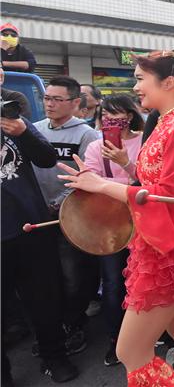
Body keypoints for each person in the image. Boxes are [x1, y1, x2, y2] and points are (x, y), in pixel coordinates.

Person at [57, 47, 174, 386]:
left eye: (140, 79)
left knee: (131, 352)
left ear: (168, 82)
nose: (135, 87)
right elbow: (160, 182)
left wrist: (102, 185)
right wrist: (125, 166)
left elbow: (171, 197)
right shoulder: (171, 120)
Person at [2, 111, 79, 383]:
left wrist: (22, 131)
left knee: (45, 298)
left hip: (30, 228)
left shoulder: (11, 118)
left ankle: (55, 356)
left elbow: (47, 159)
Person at [33, 76, 102, 354]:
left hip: (69, 216)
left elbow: (90, 176)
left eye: (57, 99)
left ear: (76, 103)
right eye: (47, 98)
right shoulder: (33, 130)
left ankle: (74, 324)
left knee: (73, 275)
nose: (49, 104)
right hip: (36, 217)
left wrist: (60, 203)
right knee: (44, 277)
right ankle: (52, 327)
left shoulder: (86, 135)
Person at [83, 94, 143, 366]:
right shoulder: (96, 147)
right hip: (109, 223)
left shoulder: (145, 140)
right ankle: (116, 339)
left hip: (143, 221)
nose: (110, 121)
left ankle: (150, 332)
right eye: (105, 116)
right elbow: (90, 181)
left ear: (130, 116)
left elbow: (149, 184)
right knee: (113, 282)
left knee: (145, 279)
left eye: (116, 115)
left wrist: (124, 163)